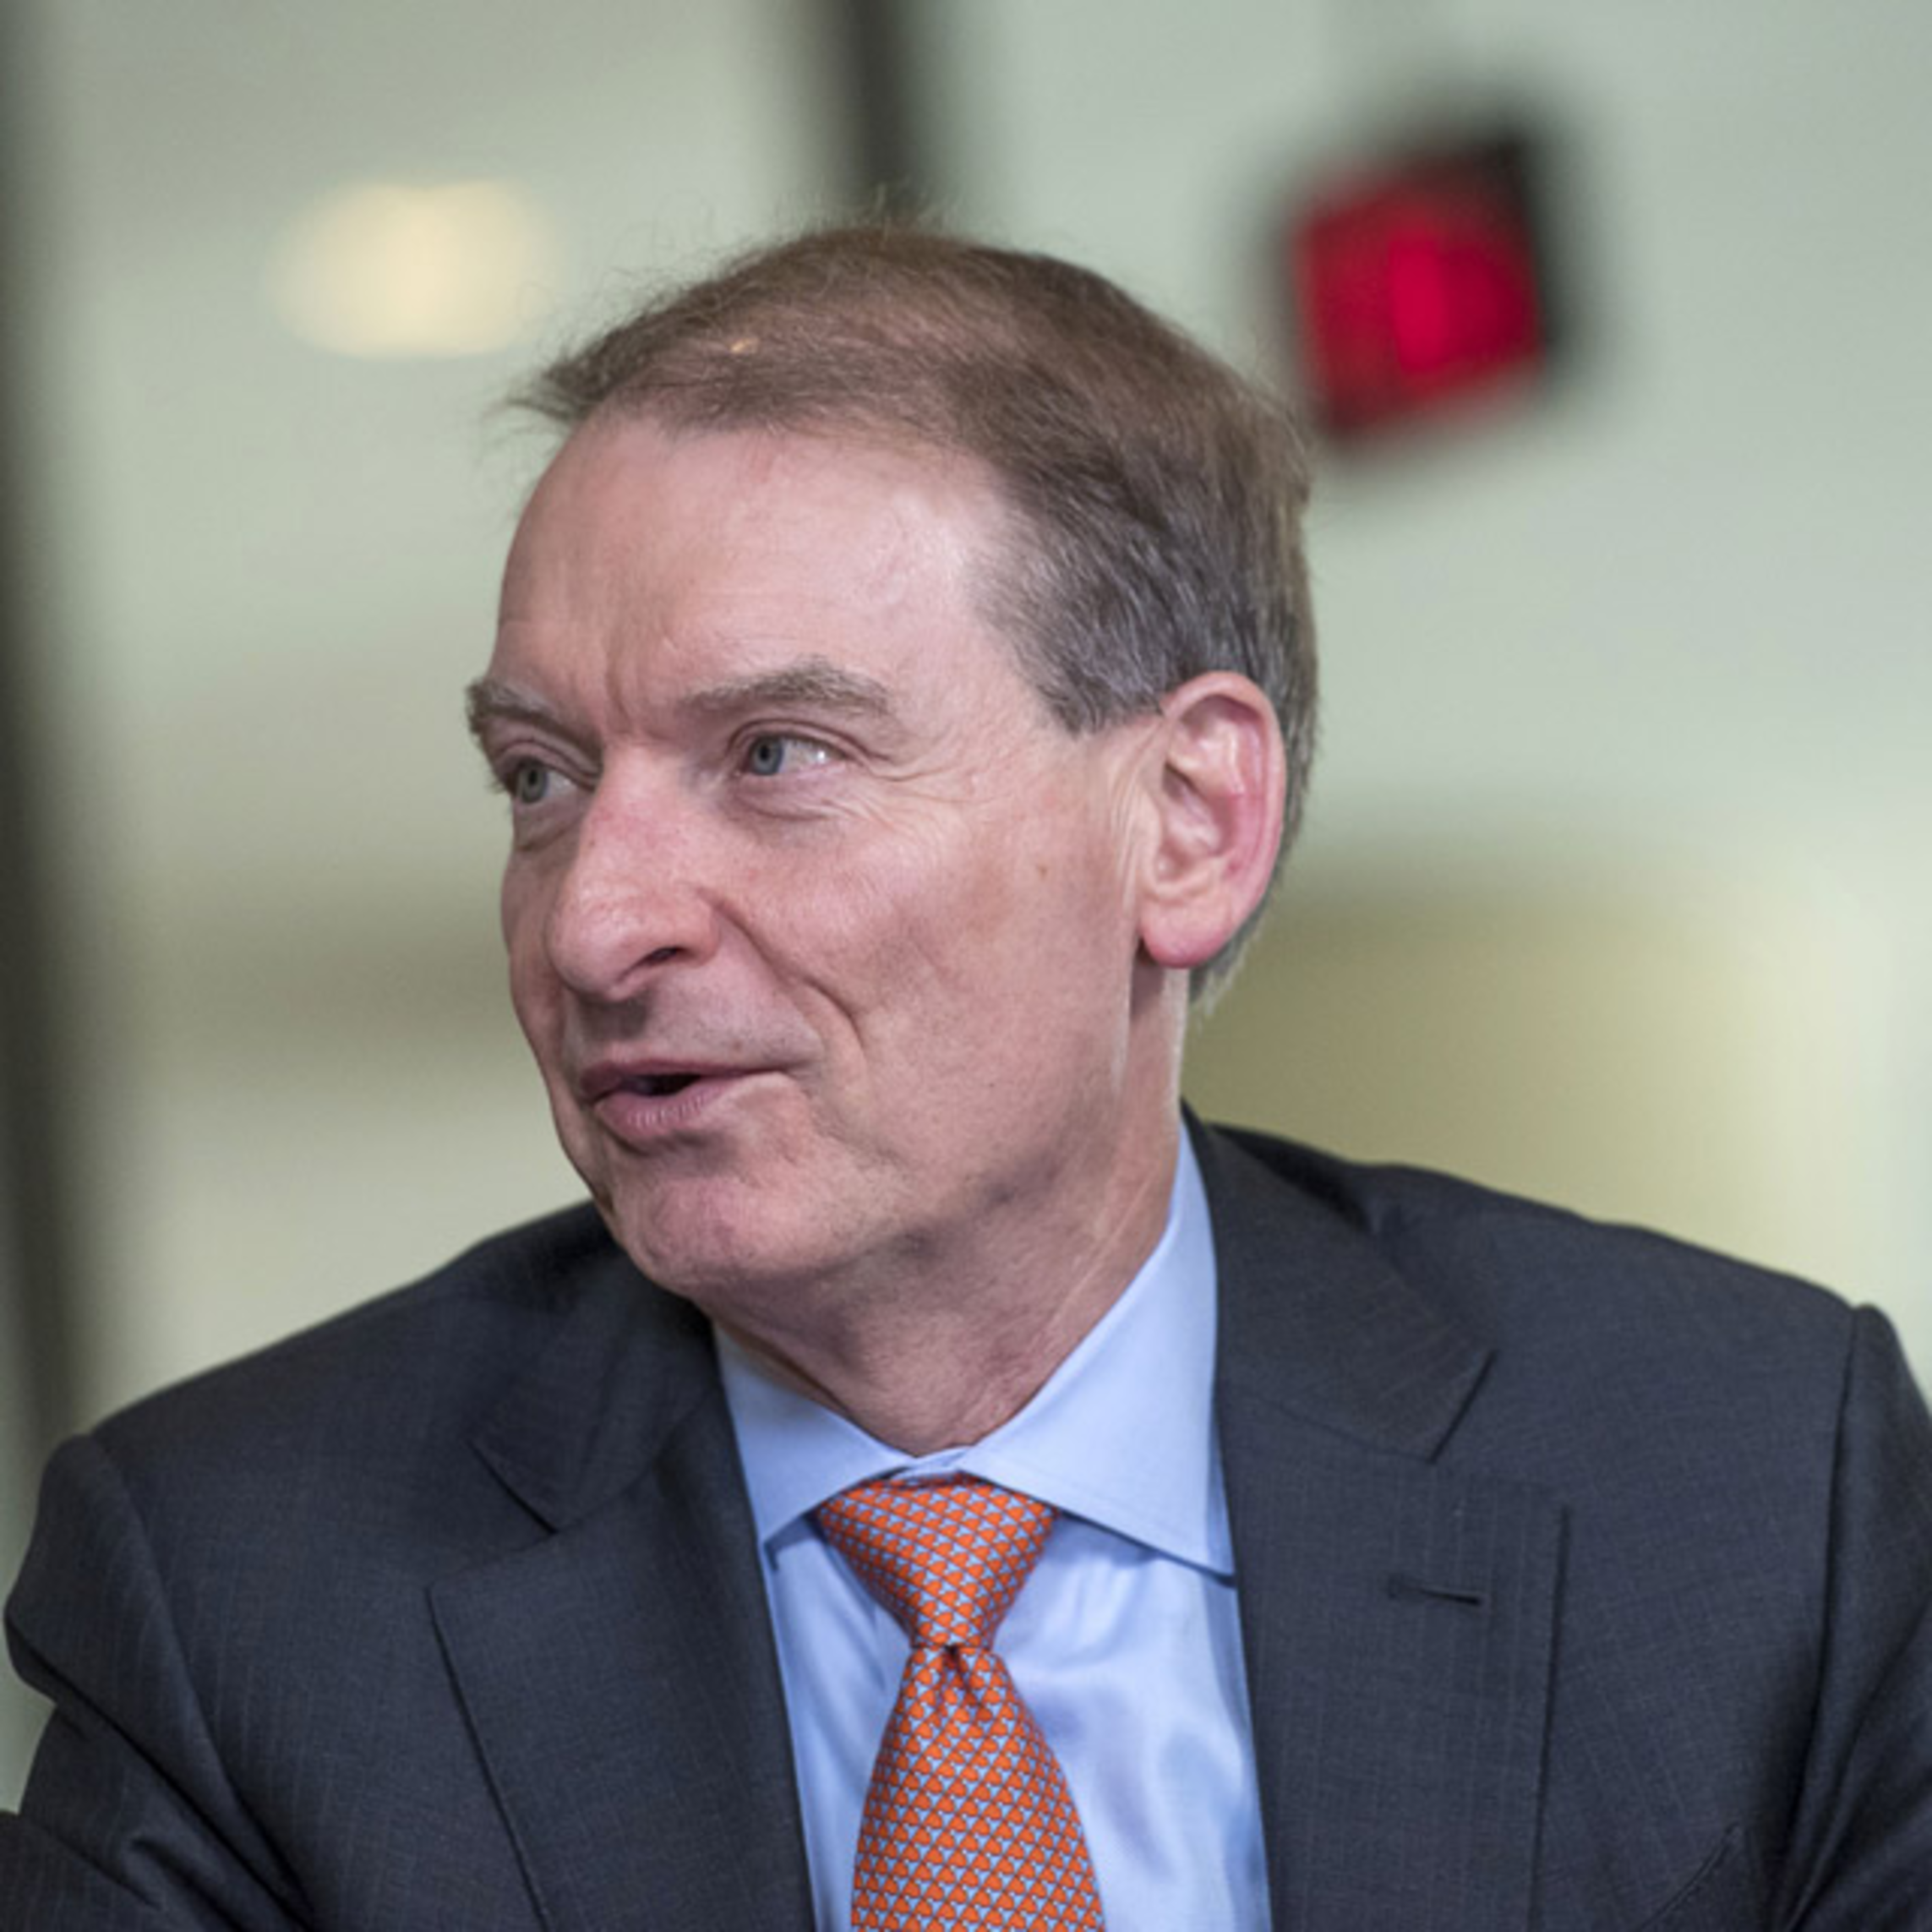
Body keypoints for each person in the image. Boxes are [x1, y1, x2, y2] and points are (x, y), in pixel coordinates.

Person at [2, 225, 1928, 1932]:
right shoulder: (241, 1595)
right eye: (540, 778)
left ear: (1188, 821)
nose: (594, 925)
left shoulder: (1751, 1485)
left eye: (776, 754)